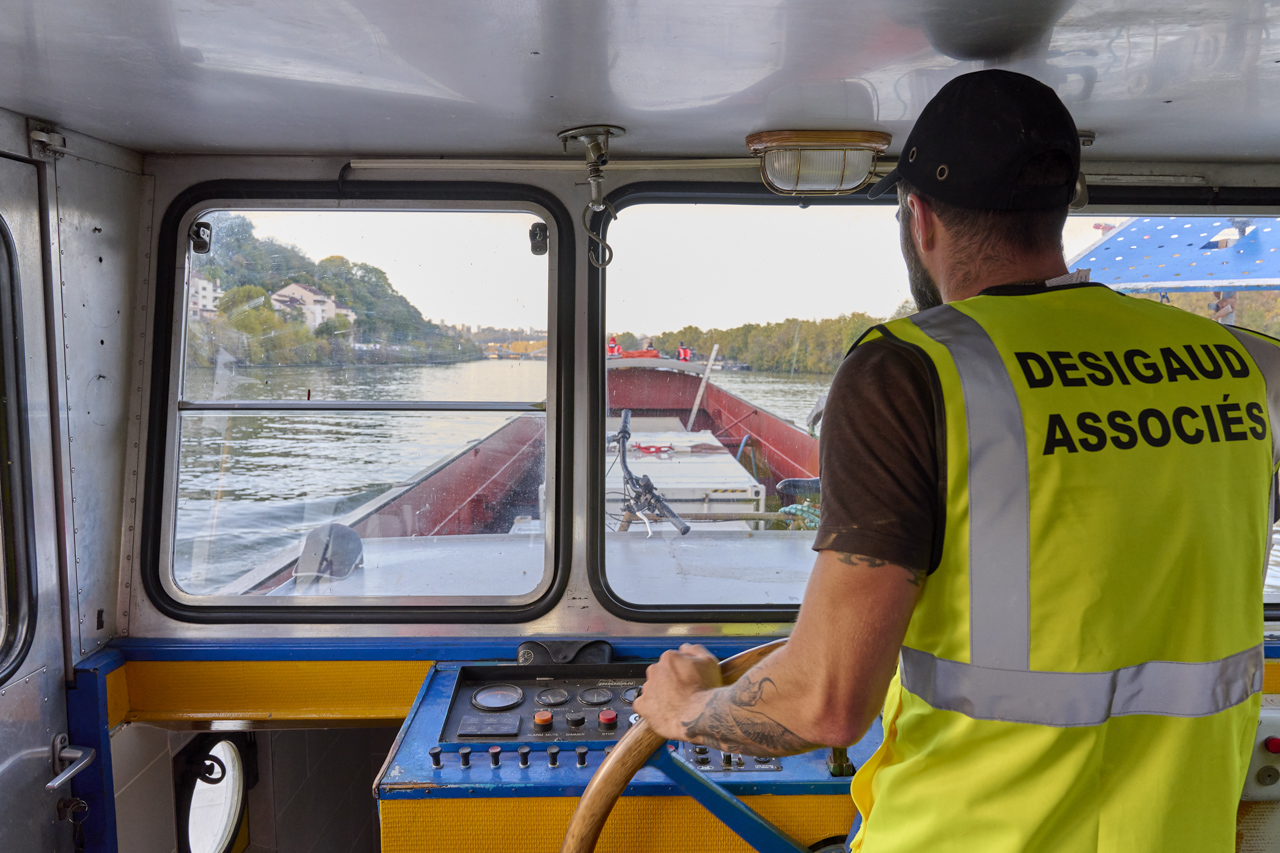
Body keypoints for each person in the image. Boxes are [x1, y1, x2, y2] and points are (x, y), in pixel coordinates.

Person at [633, 69, 1275, 853]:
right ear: (1062, 207)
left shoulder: (910, 370)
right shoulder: (1237, 363)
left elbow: (829, 704)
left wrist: (682, 709)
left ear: (921, 217)